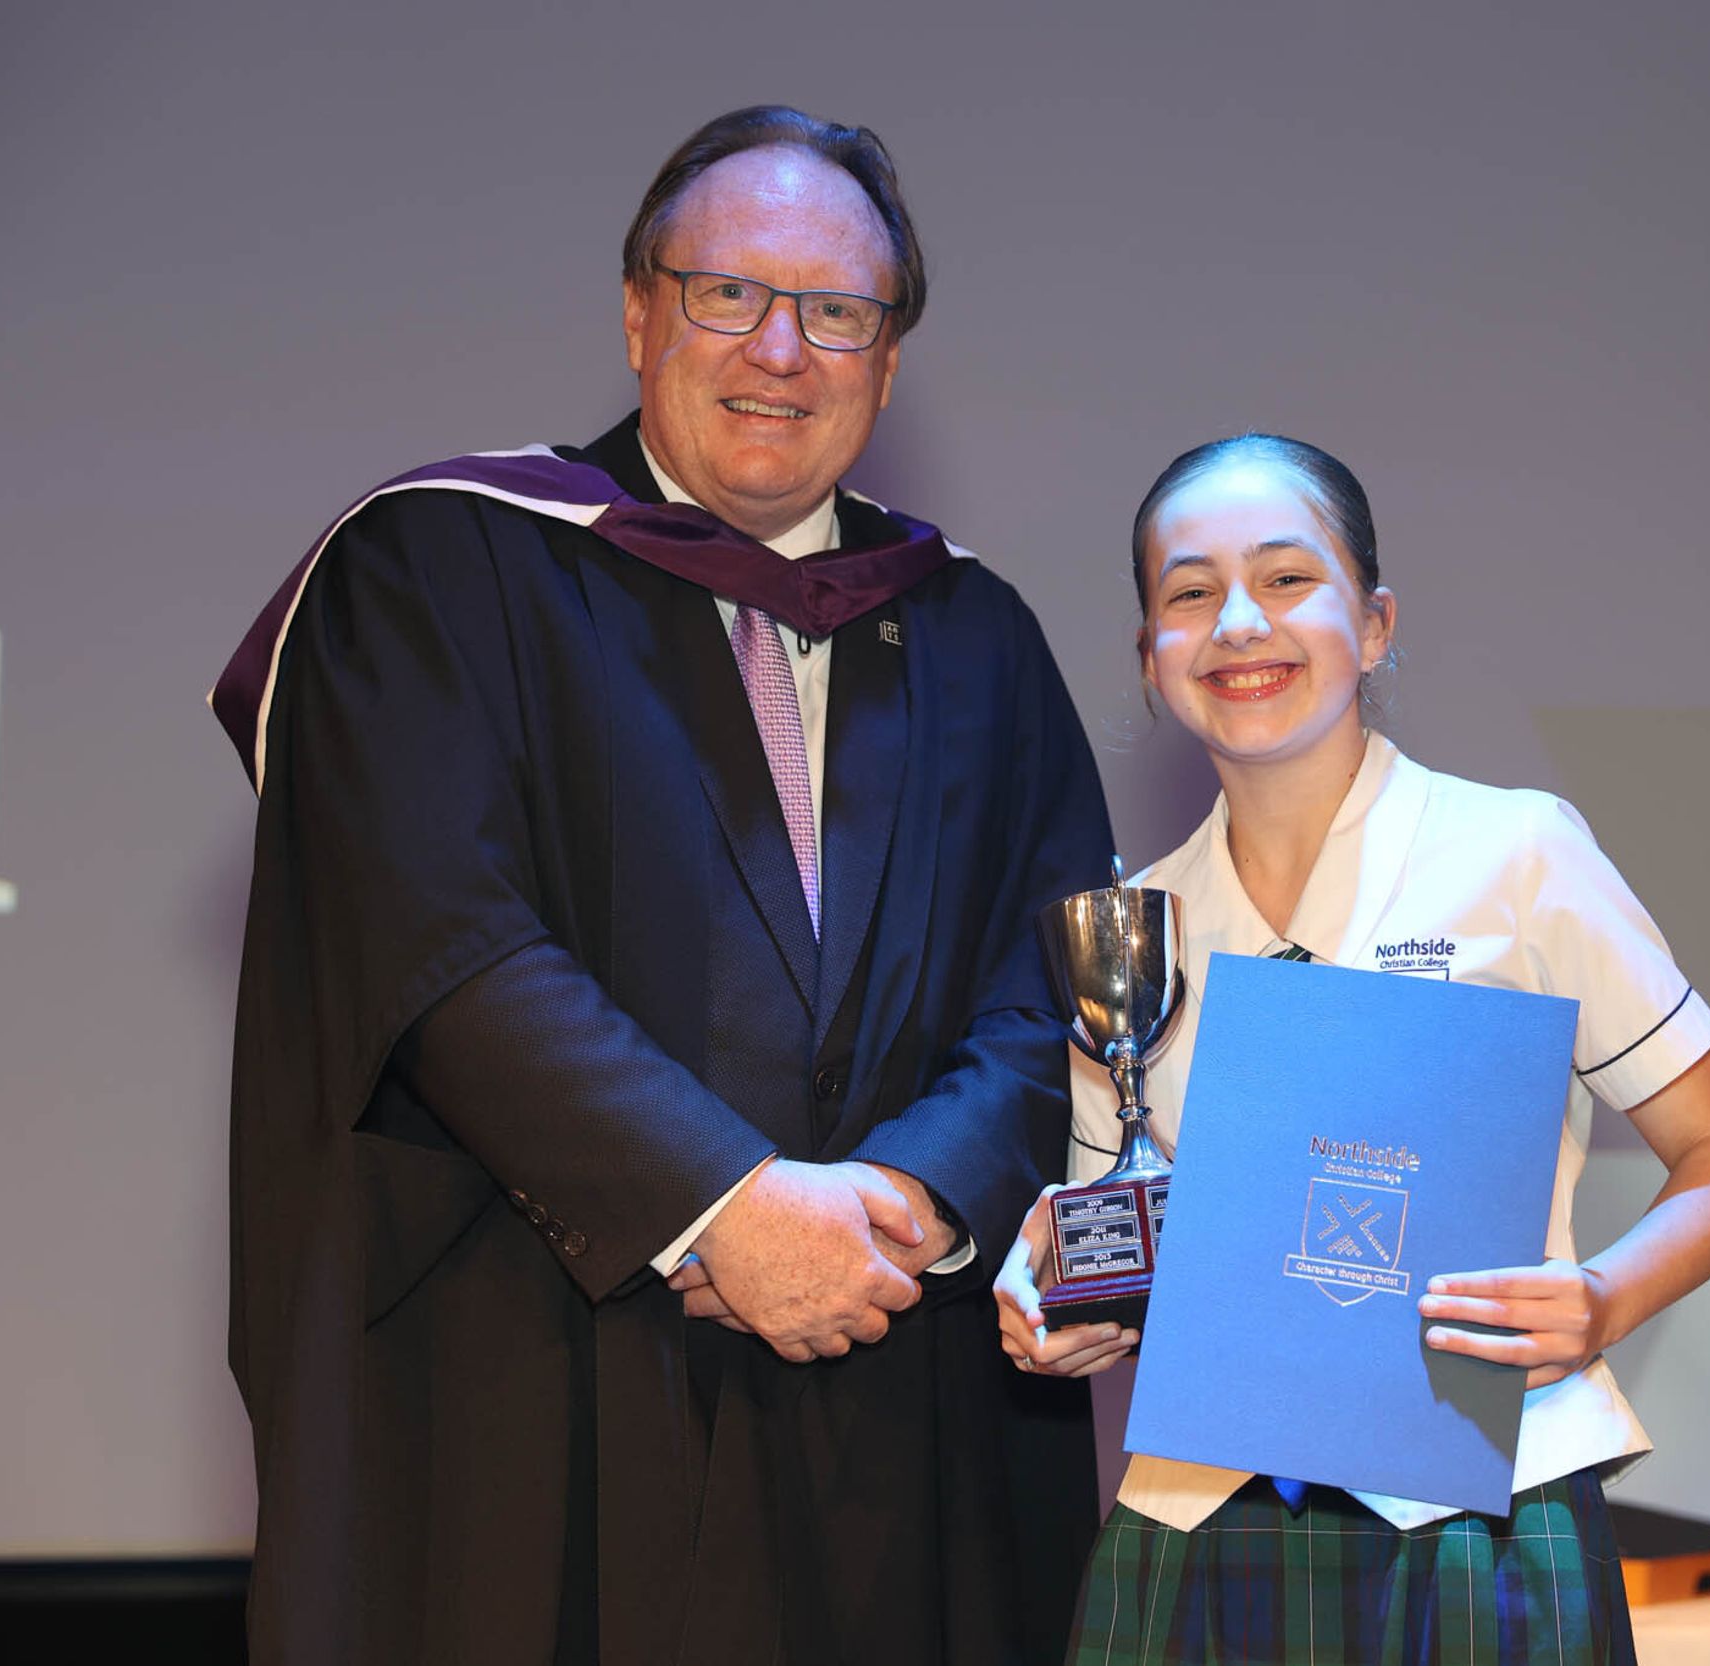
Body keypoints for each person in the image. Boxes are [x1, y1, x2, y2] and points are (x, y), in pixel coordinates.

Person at [214, 106, 1112, 1666]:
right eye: (727, 293)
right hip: (545, 1381)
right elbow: (439, 943)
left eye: (836, 311)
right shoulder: (440, 569)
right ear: (638, 313)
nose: (780, 349)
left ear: (889, 361)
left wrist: (907, 1201)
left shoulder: (978, 635)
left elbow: (1057, 982)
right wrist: (727, 1202)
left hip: (900, 1402)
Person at [994, 434, 1710, 1664]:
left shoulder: (1516, 853)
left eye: (1286, 578)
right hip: (1199, 1510)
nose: (1238, 622)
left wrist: (1603, 1299)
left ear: (1372, 624)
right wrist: (1053, 1288)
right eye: (1190, 593)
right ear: (1150, 656)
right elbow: (1122, 1220)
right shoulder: (1132, 932)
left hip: (1481, 1503)